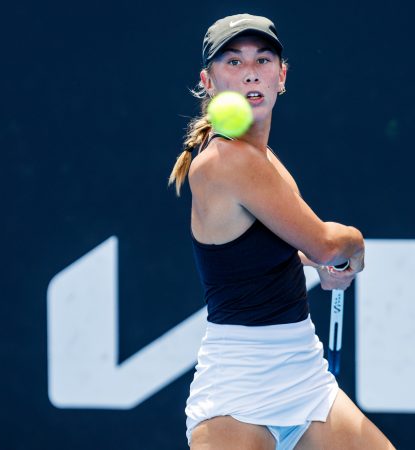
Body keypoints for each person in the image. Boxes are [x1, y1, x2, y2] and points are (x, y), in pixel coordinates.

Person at [169, 13, 396, 450]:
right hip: (237, 395)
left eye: (263, 59)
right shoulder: (227, 161)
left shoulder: (261, 157)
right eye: (232, 62)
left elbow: (256, 254)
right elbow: (329, 243)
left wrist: (315, 262)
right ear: (208, 80)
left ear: (281, 75)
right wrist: (353, 246)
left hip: (304, 377)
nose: (251, 71)